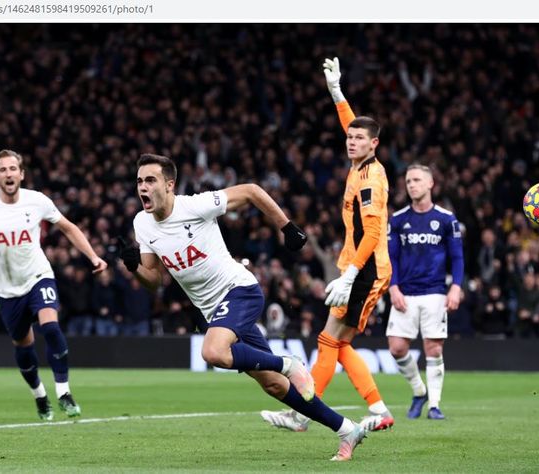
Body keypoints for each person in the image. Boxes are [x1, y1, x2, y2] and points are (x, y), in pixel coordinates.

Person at [118, 153, 370, 461]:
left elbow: (250, 190)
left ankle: (290, 364)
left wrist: (287, 227)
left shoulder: (195, 206)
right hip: (214, 311)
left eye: (150, 180)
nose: (142, 187)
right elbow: (155, 279)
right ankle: (347, 429)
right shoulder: (142, 224)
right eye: (140, 181)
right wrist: (134, 268)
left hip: (239, 291)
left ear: (169, 185)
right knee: (275, 386)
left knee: (213, 352)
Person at [261, 57, 394, 433]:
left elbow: (372, 233)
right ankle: (379, 409)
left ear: (375, 144)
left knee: (328, 339)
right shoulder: (360, 162)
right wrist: (337, 92)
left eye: (359, 139)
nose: (351, 142)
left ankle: (301, 413)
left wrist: (351, 276)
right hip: (358, 265)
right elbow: (351, 126)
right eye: (349, 137)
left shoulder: (371, 180)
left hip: (367, 268)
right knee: (340, 343)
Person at [0, 149, 107, 420]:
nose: (8, 173)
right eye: (2, 170)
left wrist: (93, 256)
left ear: (22, 173)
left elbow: (69, 227)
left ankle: (64, 392)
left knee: (50, 326)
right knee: (23, 347)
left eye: (13, 168)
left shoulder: (37, 200)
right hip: (7, 290)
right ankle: (40, 396)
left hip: (38, 276)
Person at [387, 163, 464, 420]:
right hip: (405, 292)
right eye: (408, 181)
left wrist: (456, 287)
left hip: (434, 292)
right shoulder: (397, 219)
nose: (412, 185)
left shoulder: (446, 219)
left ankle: (434, 405)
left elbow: (457, 257)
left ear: (430, 184)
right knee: (397, 348)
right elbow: (392, 258)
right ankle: (419, 390)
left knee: (434, 349)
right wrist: (393, 287)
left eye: (417, 180)